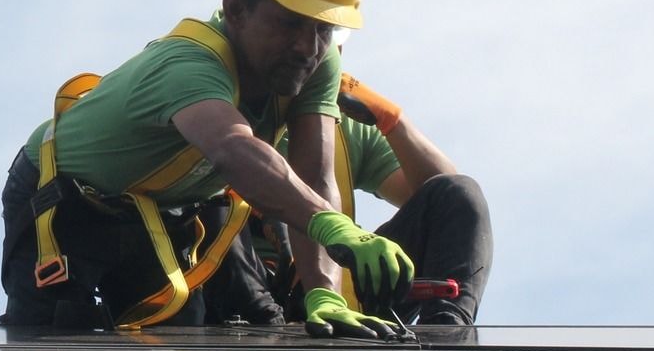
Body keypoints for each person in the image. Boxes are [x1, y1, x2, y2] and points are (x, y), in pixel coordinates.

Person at [0, 0, 415, 339]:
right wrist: (334, 226)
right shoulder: (190, 65)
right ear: (235, 9)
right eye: (290, 23)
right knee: (49, 350)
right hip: (65, 202)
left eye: (322, 29)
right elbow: (234, 149)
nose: (307, 48)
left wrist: (325, 293)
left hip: (157, 215)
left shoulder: (314, 63)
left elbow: (314, 179)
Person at [207, 75, 492, 326]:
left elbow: (447, 200)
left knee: (459, 193)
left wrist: (391, 120)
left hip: (342, 293)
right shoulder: (213, 109)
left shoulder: (342, 128)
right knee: (215, 217)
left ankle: (445, 339)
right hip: (244, 295)